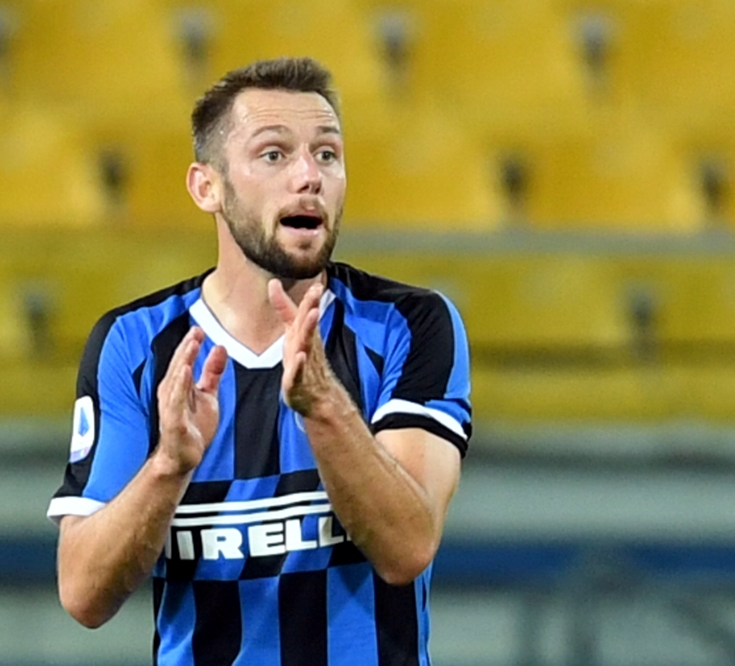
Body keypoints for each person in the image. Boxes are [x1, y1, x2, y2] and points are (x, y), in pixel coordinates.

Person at [47, 56, 472, 665]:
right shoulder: (135, 344)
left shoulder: (410, 325)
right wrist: (168, 465)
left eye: (327, 154)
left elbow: (407, 547)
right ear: (207, 186)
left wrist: (324, 407)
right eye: (274, 155)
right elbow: (83, 593)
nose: (310, 176)